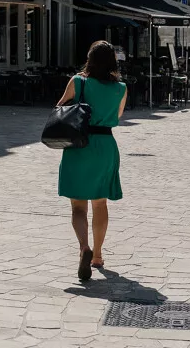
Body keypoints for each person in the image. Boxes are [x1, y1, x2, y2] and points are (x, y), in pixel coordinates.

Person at [56, 40, 128, 283]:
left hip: (80, 145)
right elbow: (117, 116)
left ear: (89, 59)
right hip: (105, 146)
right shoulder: (120, 88)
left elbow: (60, 108)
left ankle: (83, 247)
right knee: (100, 204)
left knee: (78, 207)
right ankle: (97, 255)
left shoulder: (78, 82)